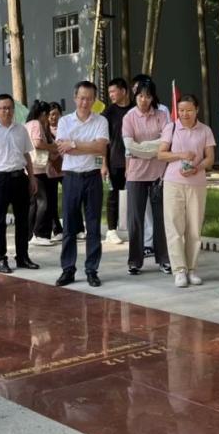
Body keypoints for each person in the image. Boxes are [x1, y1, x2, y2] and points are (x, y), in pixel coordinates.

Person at [0, 94, 40, 273]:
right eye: (3, 108)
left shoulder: (21, 130)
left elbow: (27, 155)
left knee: (23, 220)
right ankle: (0, 258)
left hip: (19, 177)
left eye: (10, 108)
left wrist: (32, 178)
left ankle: (23, 257)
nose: (7, 111)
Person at [54, 81, 109, 287]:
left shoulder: (101, 121)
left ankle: (92, 270)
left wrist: (74, 144)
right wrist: (88, 146)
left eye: (89, 98)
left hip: (93, 177)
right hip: (71, 177)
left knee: (93, 226)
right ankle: (68, 269)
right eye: (82, 98)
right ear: (75, 98)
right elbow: (63, 148)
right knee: (69, 225)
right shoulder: (64, 121)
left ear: (94, 100)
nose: (85, 102)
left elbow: (101, 148)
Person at [158, 94, 215, 287]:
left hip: (197, 183)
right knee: (174, 227)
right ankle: (179, 270)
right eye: (181, 110)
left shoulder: (205, 130)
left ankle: (192, 269)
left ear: (196, 110)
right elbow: (161, 154)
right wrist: (181, 155)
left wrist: (197, 168)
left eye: (189, 110)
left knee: (194, 229)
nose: (184, 114)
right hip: (173, 182)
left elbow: (209, 158)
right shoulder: (171, 128)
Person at [122, 77, 172, 275]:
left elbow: (167, 142)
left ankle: (164, 259)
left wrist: (141, 148)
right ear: (135, 96)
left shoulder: (162, 115)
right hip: (135, 175)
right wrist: (154, 148)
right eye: (140, 96)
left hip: (159, 174)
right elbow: (129, 146)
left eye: (148, 96)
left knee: (161, 218)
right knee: (135, 219)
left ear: (153, 97)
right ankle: (135, 261)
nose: (144, 100)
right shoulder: (129, 117)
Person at [101, 78, 133, 244]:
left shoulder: (135, 110)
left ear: (124, 91)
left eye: (114, 91)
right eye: (109, 92)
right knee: (114, 195)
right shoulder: (108, 113)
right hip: (115, 161)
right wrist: (104, 164)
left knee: (135, 196)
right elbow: (103, 141)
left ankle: (135, 228)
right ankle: (111, 230)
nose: (111, 95)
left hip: (135, 161)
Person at [25, 100, 59, 246]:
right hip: (37, 168)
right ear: (43, 114)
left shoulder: (28, 124)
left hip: (31, 168)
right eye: (47, 115)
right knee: (43, 202)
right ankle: (38, 233)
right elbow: (37, 143)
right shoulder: (36, 124)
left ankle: (30, 234)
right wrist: (52, 147)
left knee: (34, 204)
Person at [46, 103, 65, 241]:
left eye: (56, 114)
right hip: (51, 169)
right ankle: (57, 229)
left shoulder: (66, 127)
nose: (54, 117)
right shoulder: (44, 130)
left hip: (66, 168)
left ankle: (78, 228)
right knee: (51, 200)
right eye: (51, 114)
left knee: (72, 197)